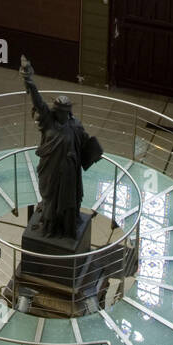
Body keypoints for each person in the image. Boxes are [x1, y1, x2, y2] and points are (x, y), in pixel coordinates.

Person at [19, 57, 102, 238]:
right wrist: (29, 80)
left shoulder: (75, 126)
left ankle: (64, 227)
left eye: (65, 112)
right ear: (56, 111)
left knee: (67, 201)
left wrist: (93, 151)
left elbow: (86, 143)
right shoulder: (49, 122)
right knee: (49, 199)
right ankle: (49, 227)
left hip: (69, 173)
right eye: (60, 112)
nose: (63, 115)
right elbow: (38, 102)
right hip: (50, 171)